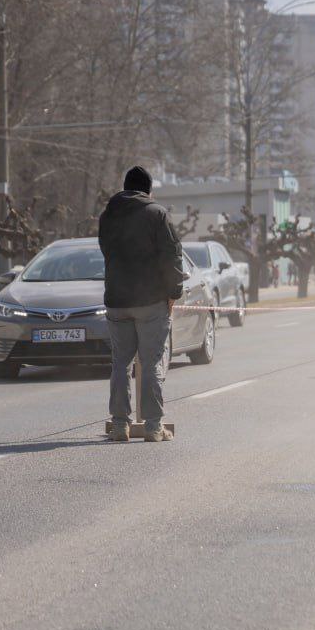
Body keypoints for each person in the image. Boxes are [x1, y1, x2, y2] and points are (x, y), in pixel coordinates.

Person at [97, 166, 186, 443]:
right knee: (150, 363)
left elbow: (105, 251)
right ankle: (152, 426)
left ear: (125, 188)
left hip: (116, 301)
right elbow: (172, 256)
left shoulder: (108, 215)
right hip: (150, 301)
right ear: (148, 190)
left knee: (120, 363)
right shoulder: (156, 214)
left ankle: (121, 425)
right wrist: (174, 292)